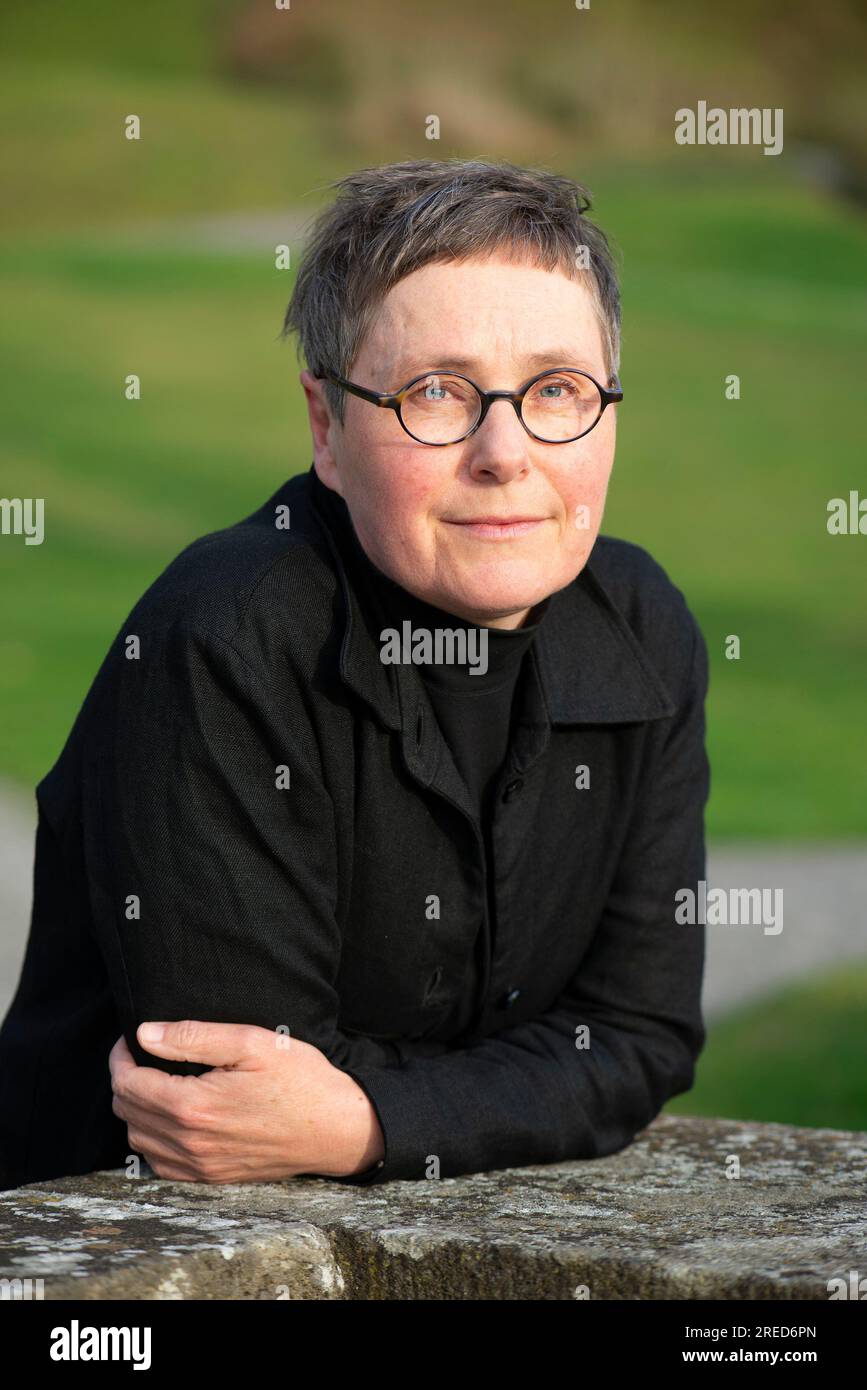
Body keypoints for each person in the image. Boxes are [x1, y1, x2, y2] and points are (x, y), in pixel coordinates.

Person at [0, 159, 710, 1190]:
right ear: (327, 427)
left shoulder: (646, 625)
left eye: (556, 389)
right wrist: (524, 1085)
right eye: (436, 392)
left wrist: (372, 1116)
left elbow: (642, 1035)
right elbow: (233, 1105)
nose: (504, 452)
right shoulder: (225, 635)